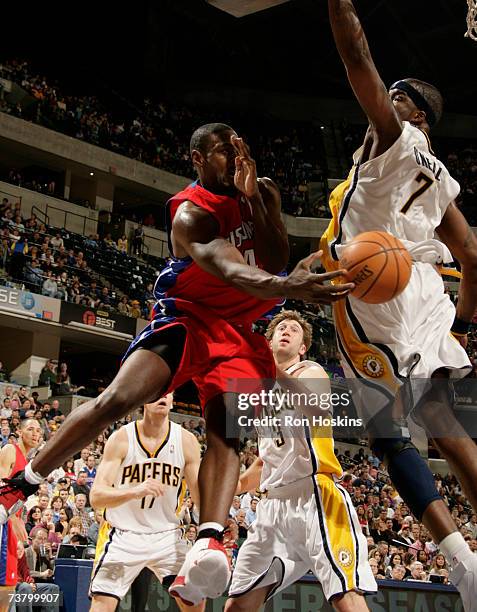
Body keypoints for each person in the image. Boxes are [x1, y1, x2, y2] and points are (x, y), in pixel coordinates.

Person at [0, 124, 353, 605]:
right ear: (197, 160)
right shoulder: (190, 214)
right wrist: (290, 287)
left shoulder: (261, 191)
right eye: (221, 151)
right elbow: (232, 270)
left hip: (238, 331)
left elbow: (272, 256)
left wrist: (257, 204)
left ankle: (208, 540)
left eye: (238, 146)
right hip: (188, 316)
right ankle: (20, 486)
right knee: (118, 399)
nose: (233, 156)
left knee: (226, 431)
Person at [320, 2, 477, 609]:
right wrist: (458, 318)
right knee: (447, 425)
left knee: (387, 435)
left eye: (397, 96)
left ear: (417, 116)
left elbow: (356, 53)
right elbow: (472, 252)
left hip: (378, 295)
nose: (385, 100)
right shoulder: (440, 176)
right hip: (430, 293)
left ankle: (463, 565)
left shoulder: (394, 138)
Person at [225, 311, 376, 611]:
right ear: (267, 344)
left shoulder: (310, 371)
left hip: (314, 495)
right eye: (280, 328)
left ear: (302, 347)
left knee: (346, 599)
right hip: (272, 508)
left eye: (294, 330)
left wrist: (272, 371)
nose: (287, 331)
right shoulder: (262, 395)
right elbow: (265, 461)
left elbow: (317, 411)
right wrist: (230, 492)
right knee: (237, 607)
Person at [88, 394, 203, 612]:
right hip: (123, 535)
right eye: (157, 392)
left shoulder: (186, 441)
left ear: (173, 400)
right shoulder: (121, 438)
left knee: (195, 598)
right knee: (102, 605)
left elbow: (199, 498)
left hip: (167, 535)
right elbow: (96, 497)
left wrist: (217, 526)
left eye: (168, 392)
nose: (163, 396)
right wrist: (134, 491)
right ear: (143, 399)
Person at [0, 419, 42, 588]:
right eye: (30, 429)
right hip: (4, 519)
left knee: (9, 584)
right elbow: (1, 490)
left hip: (12, 521)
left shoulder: (28, 463)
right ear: (19, 432)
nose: (35, 433)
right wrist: (13, 522)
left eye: (38, 431)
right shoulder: (10, 449)